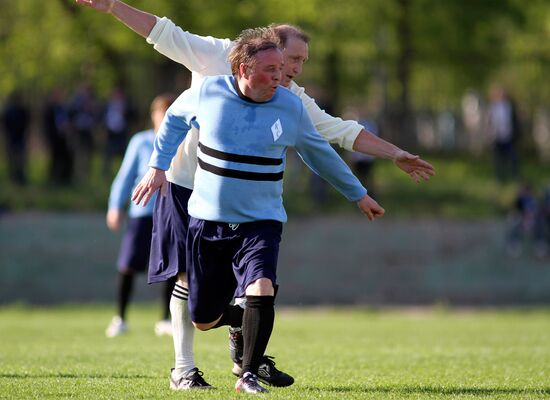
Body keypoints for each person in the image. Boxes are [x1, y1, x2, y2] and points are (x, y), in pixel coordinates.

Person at [75, 0, 435, 390]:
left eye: (299, 63)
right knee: (185, 277)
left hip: (244, 197)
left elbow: (339, 133)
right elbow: (162, 33)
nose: (296, 70)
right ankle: (184, 368)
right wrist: (113, 7)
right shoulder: (217, 55)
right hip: (182, 183)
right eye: (292, 59)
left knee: (253, 282)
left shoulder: (288, 95)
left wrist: (394, 153)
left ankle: (249, 357)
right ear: (264, 50)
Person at [133, 28, 384, 393]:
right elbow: (172, 120)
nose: (280, 76)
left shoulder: (289, 105)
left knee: (261, 286)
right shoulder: (208, 92)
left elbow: (320, 154)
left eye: (282, 67)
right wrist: (158, 165)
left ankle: (248, 372)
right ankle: (242, 321)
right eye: (271, 69)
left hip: (261, 221)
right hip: (208, 221)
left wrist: (358, 194)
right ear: (243, 69)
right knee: (202, 318)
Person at [105, 93, 177, 338]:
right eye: (161, 112)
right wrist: (116, 205)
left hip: (171, 212)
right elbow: (125, 176)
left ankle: (166, 319)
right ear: (154, 115)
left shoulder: (183, 140)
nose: (165, 117)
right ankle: (120, 318)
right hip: (143, 212)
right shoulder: (141, 141)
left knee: (171, 265)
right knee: (128, 264)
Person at [486, 84, 521, 183]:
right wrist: (490, 135)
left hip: (509, 137)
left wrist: (515, 134)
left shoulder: (510, 106)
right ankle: (499, 178)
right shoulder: (492, 107)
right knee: (498, 160)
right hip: (497, 137)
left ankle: (514, 176)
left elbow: (515, 121)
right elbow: (489, 123)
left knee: (513, 157)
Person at [2, 91, 30, 185]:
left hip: (17, 138)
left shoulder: (22, 110)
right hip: (14, 138)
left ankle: (18, 176)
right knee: (15, 159)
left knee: (18, 159)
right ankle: (16, 176)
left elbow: (27, 123)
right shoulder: (10, 111)